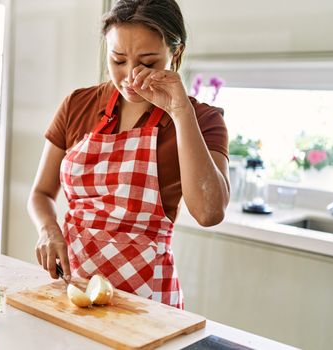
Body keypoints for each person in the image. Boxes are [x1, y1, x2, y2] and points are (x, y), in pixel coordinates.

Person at [27, 0, 230, 309]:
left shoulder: (202, 120)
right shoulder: (77, 104)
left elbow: (209, 213)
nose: (130, 76)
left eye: (148, 62)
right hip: (73, 288)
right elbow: (40, 193)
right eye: (118, 59)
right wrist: (48, 230)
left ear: (176, 52)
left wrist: (179, 111)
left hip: (147, 301)